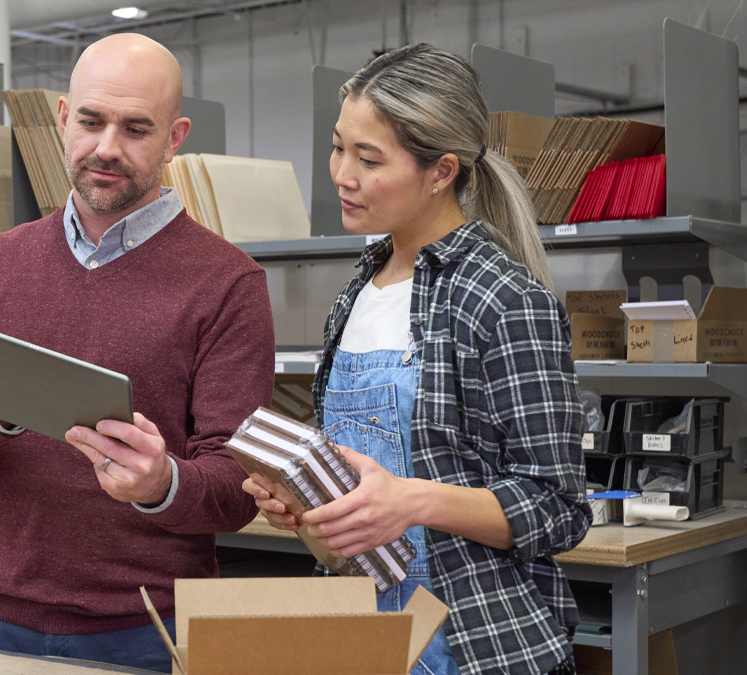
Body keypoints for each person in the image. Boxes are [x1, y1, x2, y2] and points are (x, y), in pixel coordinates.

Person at [0, 33, 274, 673]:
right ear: (61, 119)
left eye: (136, 128)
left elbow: (240, 485)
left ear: (175, 137)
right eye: (91, 121)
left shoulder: (226, 282)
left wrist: (164, 483)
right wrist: (1, 407)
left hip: (147, 631)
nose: (107, 148)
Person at [244, 43, 591, 675]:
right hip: (357, 636)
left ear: (441, 171)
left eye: (368, 159)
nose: (341, 174)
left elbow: (560, 509)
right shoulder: (357, 292)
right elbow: (360, 485)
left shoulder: (505, 299)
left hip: (472, 646)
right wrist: (307, 501)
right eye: (338, 146)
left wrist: (410, 502)